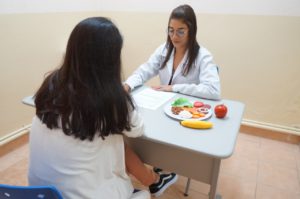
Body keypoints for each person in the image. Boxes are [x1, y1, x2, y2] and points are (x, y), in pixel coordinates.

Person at [28, 17, 151, 199]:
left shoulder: (52, 84)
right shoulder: (111, 99)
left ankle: (152, 179)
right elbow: (137, 129)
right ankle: (153, 180)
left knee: (111, 146)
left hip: (38, 194)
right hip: (79, 194)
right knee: (142, 192)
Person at [123, 4, 221, 196]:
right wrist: (127, 85)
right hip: (161, 111)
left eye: (180, 32)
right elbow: (145, 70)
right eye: (170, 31)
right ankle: (158, 166)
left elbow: (213, 90)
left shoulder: (203, 56)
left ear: (191, 31)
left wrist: (173, 88)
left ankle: (167, 165)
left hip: (184, 116)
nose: (174, 37)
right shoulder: (164, 50)